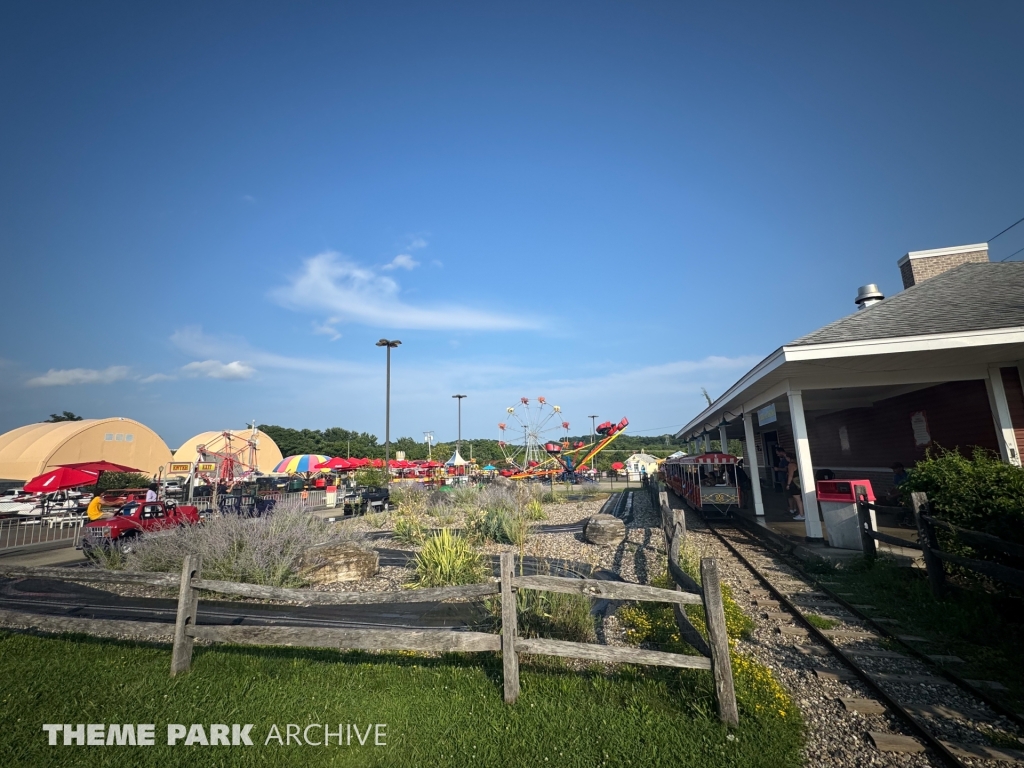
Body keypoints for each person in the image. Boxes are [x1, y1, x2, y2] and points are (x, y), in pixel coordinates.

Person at [785, 453, 805, 521]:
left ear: (789, 458)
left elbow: (790, 475)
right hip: (799, 483)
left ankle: (801, 514)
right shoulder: (797, 464)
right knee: (799, 499)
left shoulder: (791, 465)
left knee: (797, 499)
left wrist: (788, 484)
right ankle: (801, 513)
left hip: (794, 483)